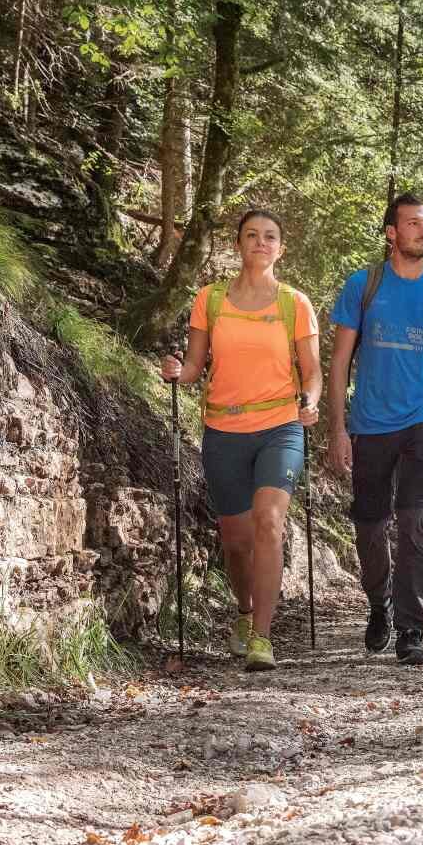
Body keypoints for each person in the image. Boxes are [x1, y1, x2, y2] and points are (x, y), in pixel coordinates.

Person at [160, 209, 320, 672]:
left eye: (270, 236)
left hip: (280, 426)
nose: (261, 243)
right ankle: (246, 612)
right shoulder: (210, 300)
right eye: (252, 235)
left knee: (269, 522)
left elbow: (311, 373)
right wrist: (177, 372)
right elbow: (194, 367)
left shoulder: (295, 304)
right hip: (224, 430)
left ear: (280, 248)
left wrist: (309, 401)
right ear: (238, 244)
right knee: (235, 541)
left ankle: (263, 638)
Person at [327, 193, 423, 667]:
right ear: (391, 232)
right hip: (369, 423)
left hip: (422, 421)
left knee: (415, 519)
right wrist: (337, 428)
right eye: (413, 223)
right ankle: (379, 603)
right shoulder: (363, 285)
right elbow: (338, 362)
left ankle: (413, 629)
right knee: (370, 523)